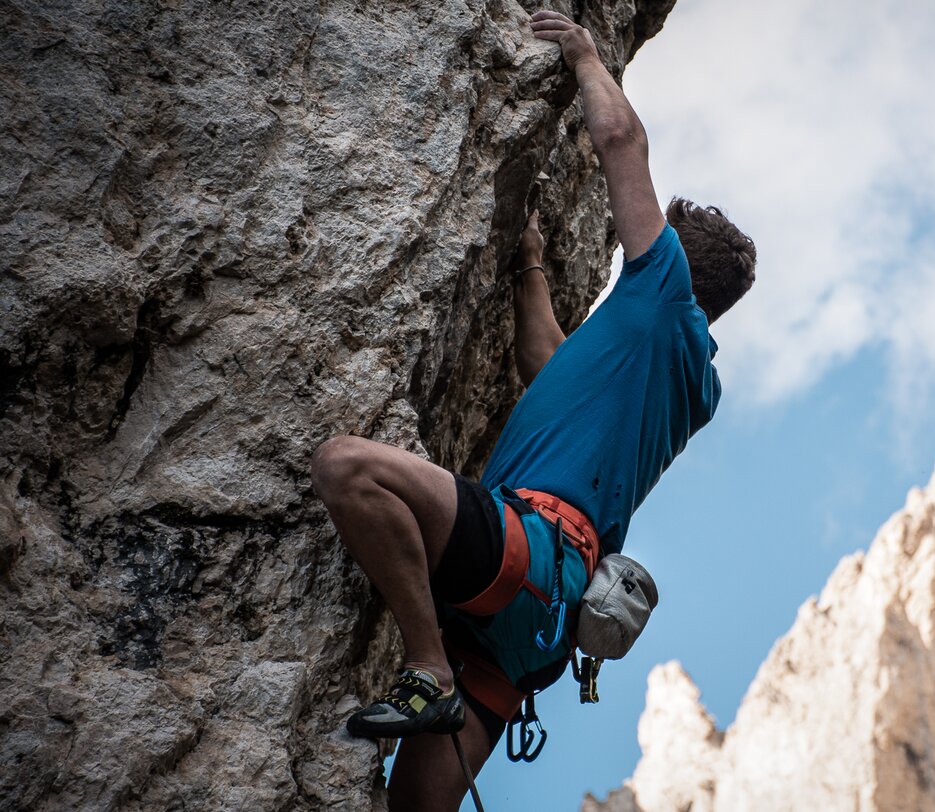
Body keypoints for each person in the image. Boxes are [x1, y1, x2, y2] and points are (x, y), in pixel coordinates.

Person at [307, 10, 756, 809]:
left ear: (675, 261)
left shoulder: (659, 292)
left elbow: (621, 144)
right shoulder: (688, 378)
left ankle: (426, 668)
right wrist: (531, 271)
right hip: (537, 632)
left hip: (526, 554)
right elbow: (547, 366)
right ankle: (446, 677)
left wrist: (586, 56)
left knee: (347, 469)